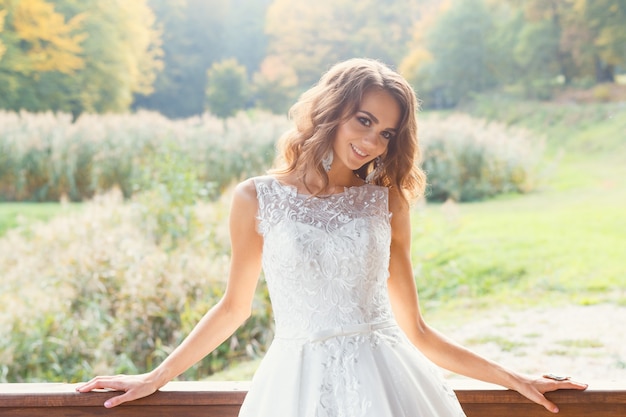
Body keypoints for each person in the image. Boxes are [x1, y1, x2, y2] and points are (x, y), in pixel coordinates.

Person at [77, 58, 587, 415]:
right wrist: (152, 379)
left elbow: (419, 331)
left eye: (386, 132)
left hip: (390, 386)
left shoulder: (387, 202)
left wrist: (517, 379)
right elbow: (234, 308)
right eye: (364, 121)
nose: (371, 142)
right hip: (295, 388)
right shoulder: (255, 199)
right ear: (332, 111)